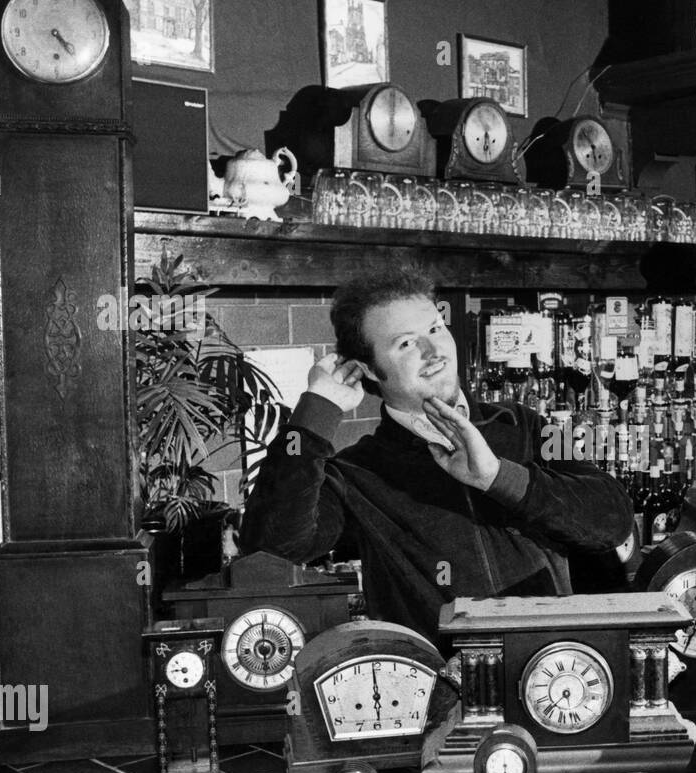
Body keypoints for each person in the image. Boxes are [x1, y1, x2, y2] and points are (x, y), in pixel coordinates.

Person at [240, 268, 634, 647]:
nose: (434, 351)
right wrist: (315, 413)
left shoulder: (529, 425)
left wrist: (498, 477)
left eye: (435, 329)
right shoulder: (356, 474)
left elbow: (613, 517)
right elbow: (271, 551)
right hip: (440, 696)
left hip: (553, 674)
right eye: (406, 343)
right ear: (368, 370)